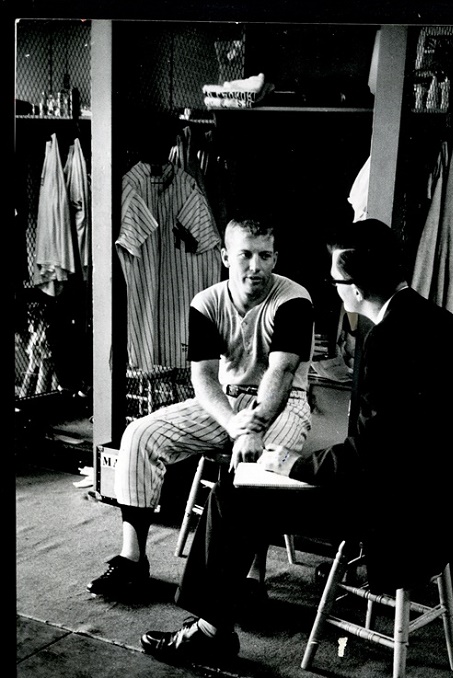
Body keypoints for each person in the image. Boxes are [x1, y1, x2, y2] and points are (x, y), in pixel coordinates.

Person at [139, 217, 453, 665]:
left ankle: (209, 632)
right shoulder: (437, 321)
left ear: (356, 289)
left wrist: (292, 466)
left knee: (235, 493)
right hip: (443, 501)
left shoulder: (387, 342)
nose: (334, 288)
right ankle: (223, 608)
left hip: (399, 511)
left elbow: (371, 457)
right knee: (249, 487)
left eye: (337, 278)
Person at [87, 214, 315, 598]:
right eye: (245, 255)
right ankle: (132, 559)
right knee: (140, 435)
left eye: (265, 256)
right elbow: (204, 378)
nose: (255, 266)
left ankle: (250, 578)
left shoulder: (294, 299)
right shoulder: (206, 302)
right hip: (225, 400)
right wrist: (233, 425)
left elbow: (283, 370)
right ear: (226, 257)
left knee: (260, 464)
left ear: (276, 259)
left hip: (283, 404)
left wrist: (254, 428)